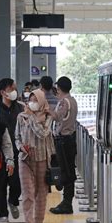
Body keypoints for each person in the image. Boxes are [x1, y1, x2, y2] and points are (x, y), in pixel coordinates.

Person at [15, 89, 54, 223]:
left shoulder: (48, 117)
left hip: (42, 159)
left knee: (41, 194)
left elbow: (42, 133)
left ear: (42, 101)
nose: (32, 102)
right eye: (30, 99)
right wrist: (20, 147)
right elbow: (17, 137)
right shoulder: (21, 117)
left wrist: (32, 118)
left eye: (35, 100)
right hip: (25, 159)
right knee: (28, 193)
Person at [48, 77, 78, 214]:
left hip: (64, 141)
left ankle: (67, 203)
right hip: (70, 139)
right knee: (68, 170)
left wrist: (47, 110)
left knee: (66, 171)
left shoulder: (64, 102)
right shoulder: (72, 100)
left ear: (59, 88)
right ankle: (67, 201)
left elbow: (57, 117)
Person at [0, 78, 24, 223]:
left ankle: (13, 200)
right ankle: (2, 214)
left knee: (16, 182)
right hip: (0, 153)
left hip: (17, 151)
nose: (14, 91)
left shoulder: (21, 108)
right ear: (2, 92)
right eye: (11, 89)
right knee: (0, 184)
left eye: (15, 88)